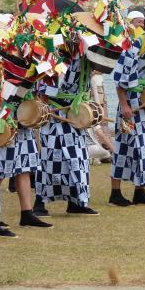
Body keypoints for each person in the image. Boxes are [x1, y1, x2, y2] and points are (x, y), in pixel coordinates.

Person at [109, 15, 145, 206]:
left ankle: (140, 191)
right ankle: (115, 193)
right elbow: (120, 77)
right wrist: (124, 104)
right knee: (125, 145)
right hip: (132, 102)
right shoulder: (136, 45)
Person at [35, 54, 98, 216]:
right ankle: (39, 203)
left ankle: (76, 202)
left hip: (76, 114)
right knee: (49, 160)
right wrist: (45, 109)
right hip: (56, 115)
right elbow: (45, 87)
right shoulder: (55, 56)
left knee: (78, 160)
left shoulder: (85, 56)